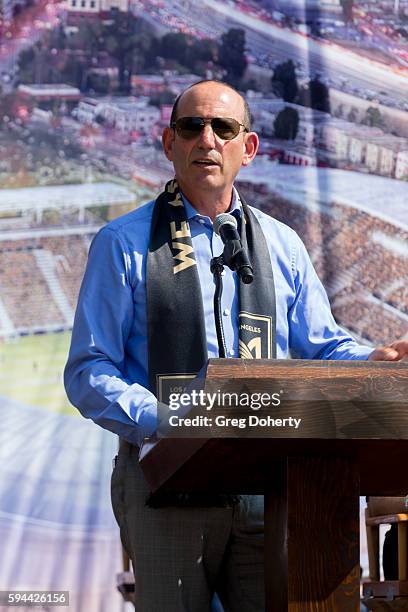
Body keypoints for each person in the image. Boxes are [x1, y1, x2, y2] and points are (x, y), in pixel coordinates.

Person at [64, 80, 408, 612]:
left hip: (266, 489)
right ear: (169, 143)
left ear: (246, 148)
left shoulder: (282, 243)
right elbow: (89, 369)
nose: (207, 139)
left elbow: (321, 346)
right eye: (191, 126)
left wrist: (371, 362)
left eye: (223, 128)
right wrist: (171, 421)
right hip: (165, 484)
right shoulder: (122, 243)